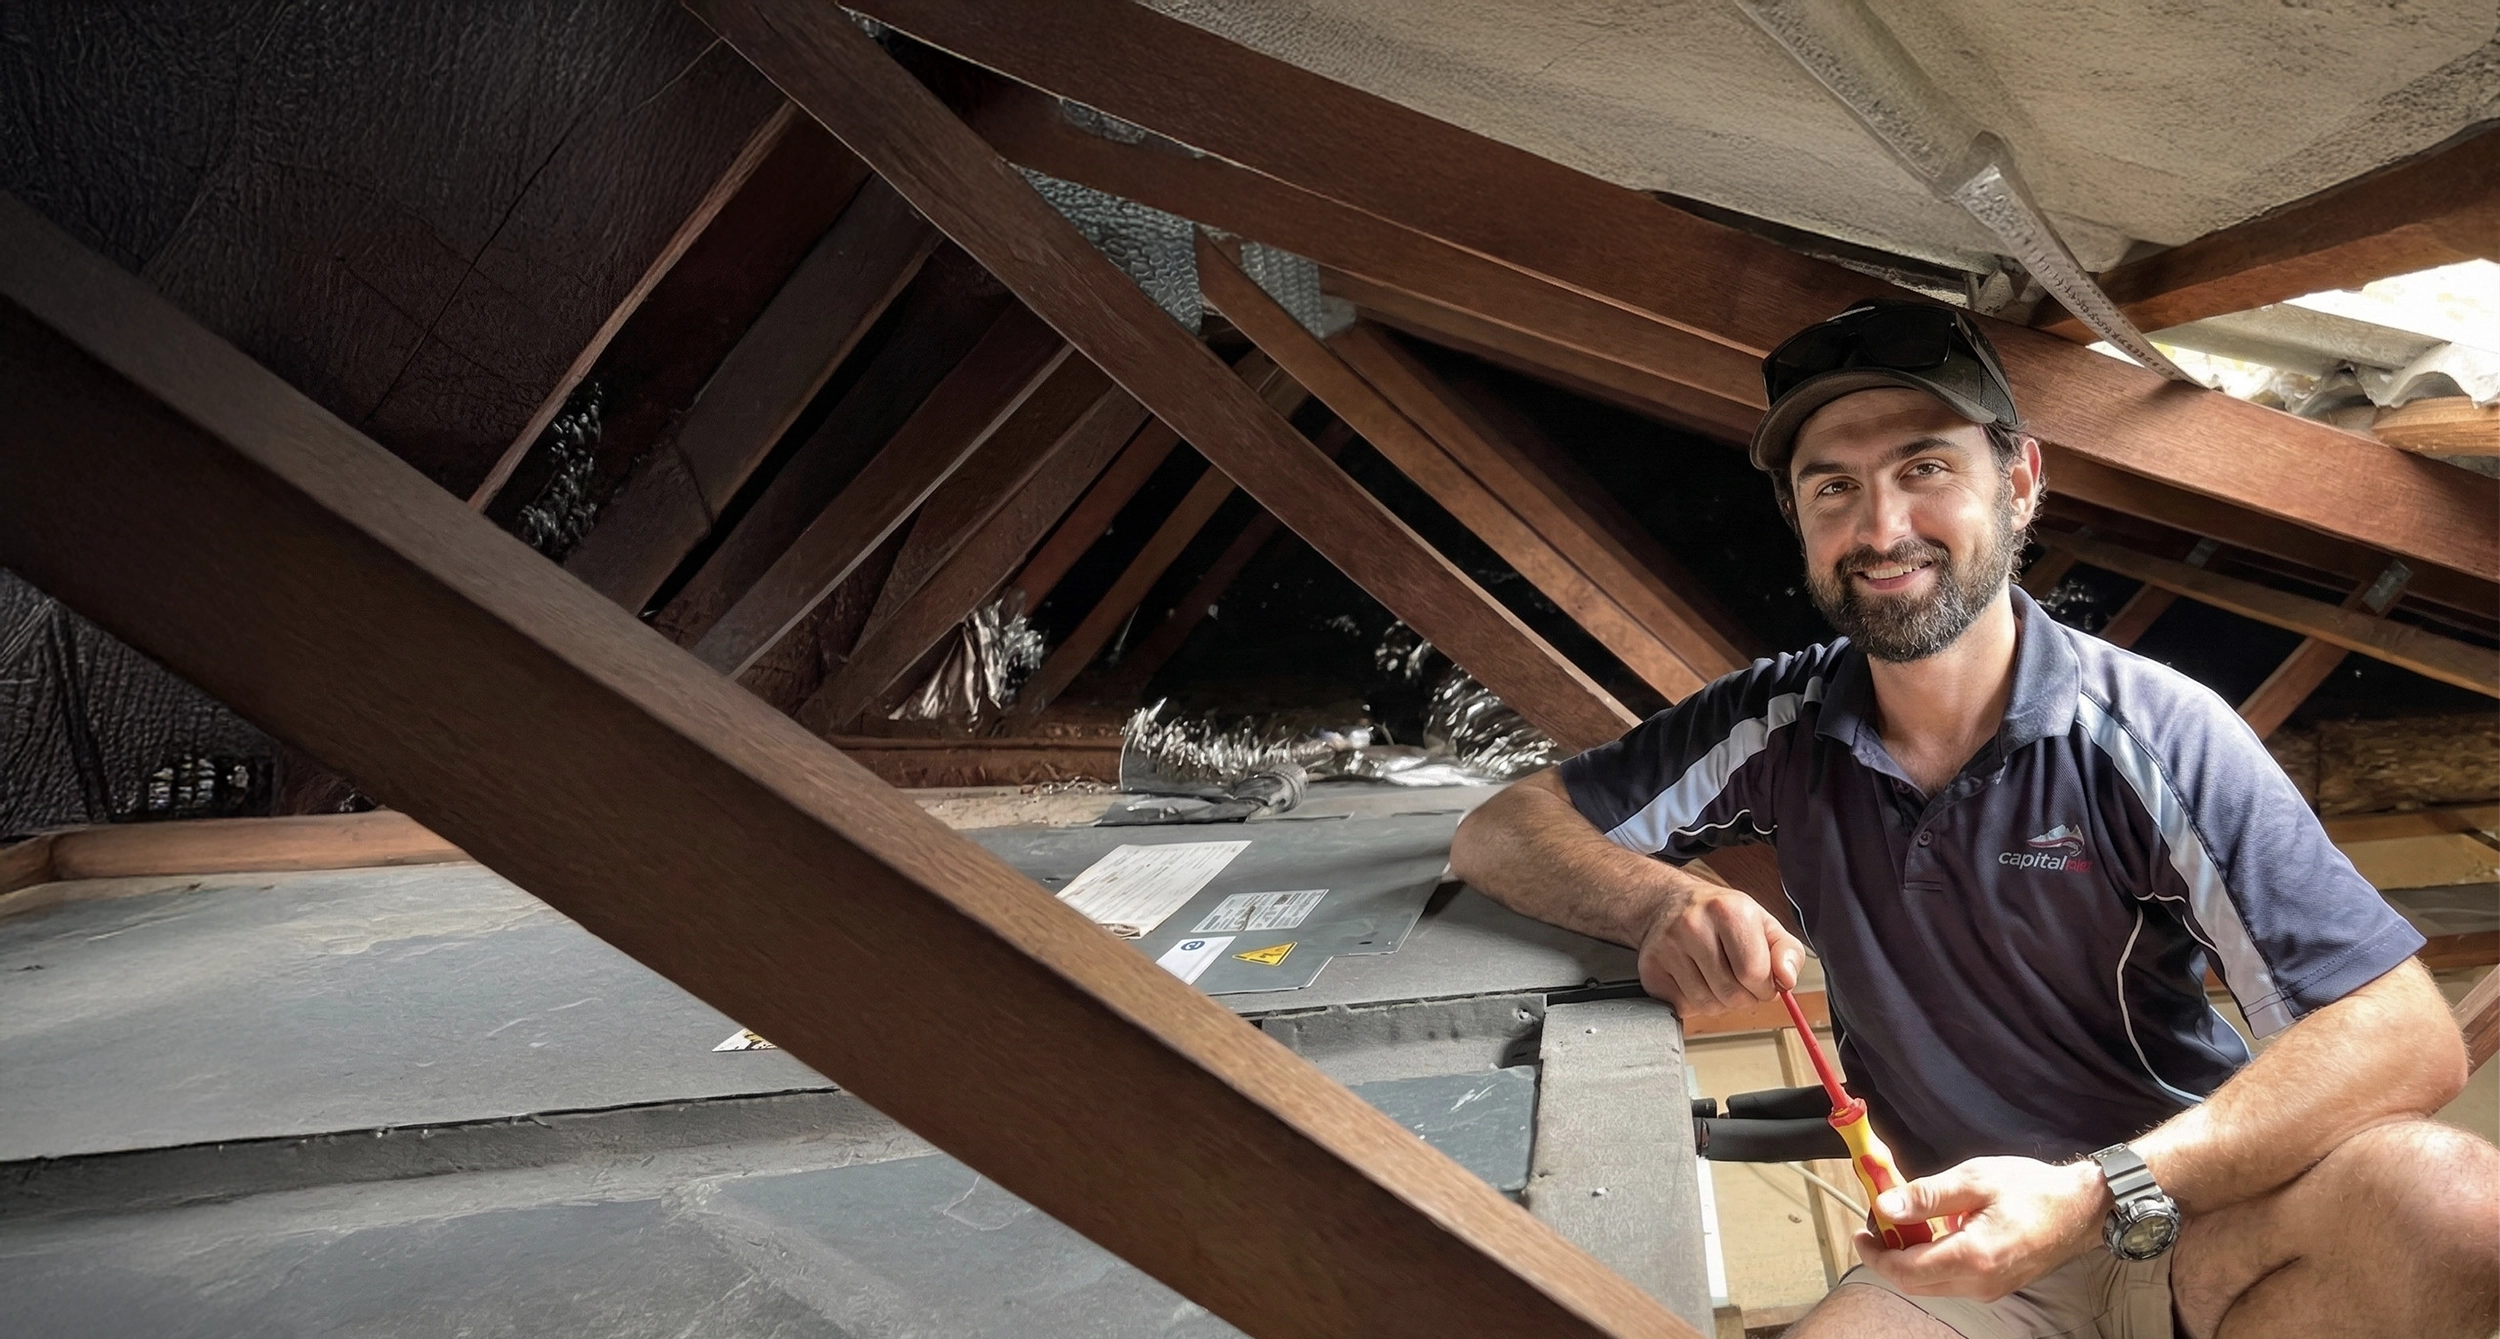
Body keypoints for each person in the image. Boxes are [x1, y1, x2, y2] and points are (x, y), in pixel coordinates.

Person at [1447, 300, 2498, 1338]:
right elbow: (1500, 829)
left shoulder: (2154, 730)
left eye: (1924, 469)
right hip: (1966, 1264)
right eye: (1833, 488)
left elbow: (2404, 1037)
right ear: (1799, 522)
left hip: (2190, 1214)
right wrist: (1653, 900)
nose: (1881, 527)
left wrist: (2098, 1188)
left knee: (2458, 1201)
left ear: (2020, 481)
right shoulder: (1774, 721)